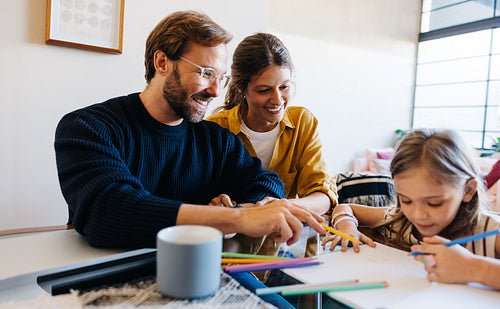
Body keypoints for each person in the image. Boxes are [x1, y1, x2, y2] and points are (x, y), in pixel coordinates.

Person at [54, 10, 325, 249]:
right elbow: (110, 211)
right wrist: (237, 218)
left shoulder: (215, 140)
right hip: (111, 278)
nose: (216, 91)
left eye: (220, 77)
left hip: (202, 271)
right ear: (162, 63)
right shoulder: (87, 128)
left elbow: (267, 183)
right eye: (206, 72)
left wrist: (241, 208)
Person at [206, 33, 337, 257]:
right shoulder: (215, 129)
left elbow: (323, 195)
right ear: (241, 88)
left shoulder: (303, 123)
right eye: (264, 90)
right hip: (230, 252)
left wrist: (280, 206)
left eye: (285, 87)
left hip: (286, 245)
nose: (277, 100)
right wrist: (216, 205)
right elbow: (203, 201)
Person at [321, 129, 500, 288]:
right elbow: (344, 208)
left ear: (467, 190)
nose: (418, 215)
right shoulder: (399, 220)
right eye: (406, 200)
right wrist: (347, 226)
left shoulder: (490, 232)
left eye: (434, 203)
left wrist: (473, 268)